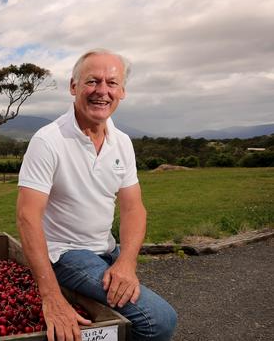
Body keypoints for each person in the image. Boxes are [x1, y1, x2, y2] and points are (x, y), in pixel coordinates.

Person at [16, 49, 177, 341]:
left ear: (122, 91)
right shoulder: (47, 141)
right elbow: (27, 216)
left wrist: (127, 261)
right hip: (65, 253)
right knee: (159, 321)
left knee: (133, 313)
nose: (102, 91)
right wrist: (51, 296)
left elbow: (133, 209)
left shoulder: (123, 142)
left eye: (112, 83)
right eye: (92, 81)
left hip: (107, 250)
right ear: (73, 87)